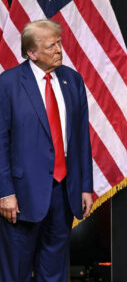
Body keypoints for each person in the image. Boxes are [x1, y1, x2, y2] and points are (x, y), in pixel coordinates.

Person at [0, 20, 93, 282]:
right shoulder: (7, 84)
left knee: (54, 272)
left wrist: (85, 186)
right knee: (15, 273)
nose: (59, 50)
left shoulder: (72, 80)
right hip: (20, 196)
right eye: (51, 45)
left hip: (64, 193)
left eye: (59, 42)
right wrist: (4, 192)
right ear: (32, 52)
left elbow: (81, 139)